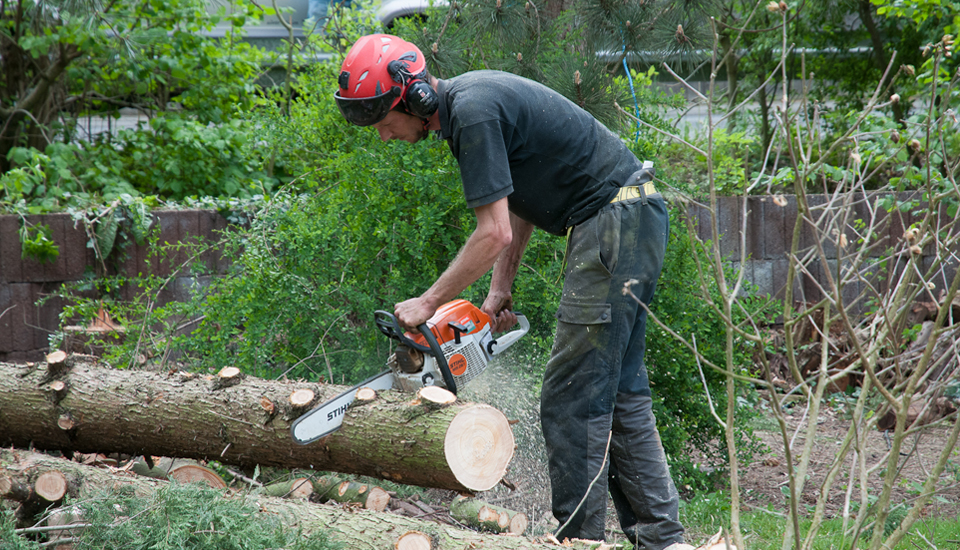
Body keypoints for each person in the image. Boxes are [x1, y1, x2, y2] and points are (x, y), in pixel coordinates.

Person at [334, 33, 691, 550]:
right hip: (628, 219)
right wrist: (499, 287)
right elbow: (519, 201)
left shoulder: (473, 112)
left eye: (384, 121)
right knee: (620, 391)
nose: (384, 136)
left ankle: (577, 542)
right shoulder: (472, 107)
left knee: (571, 397)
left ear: (415, 99)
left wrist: (428, 302)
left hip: (612, 224)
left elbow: (493, 231)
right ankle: (663, 540)